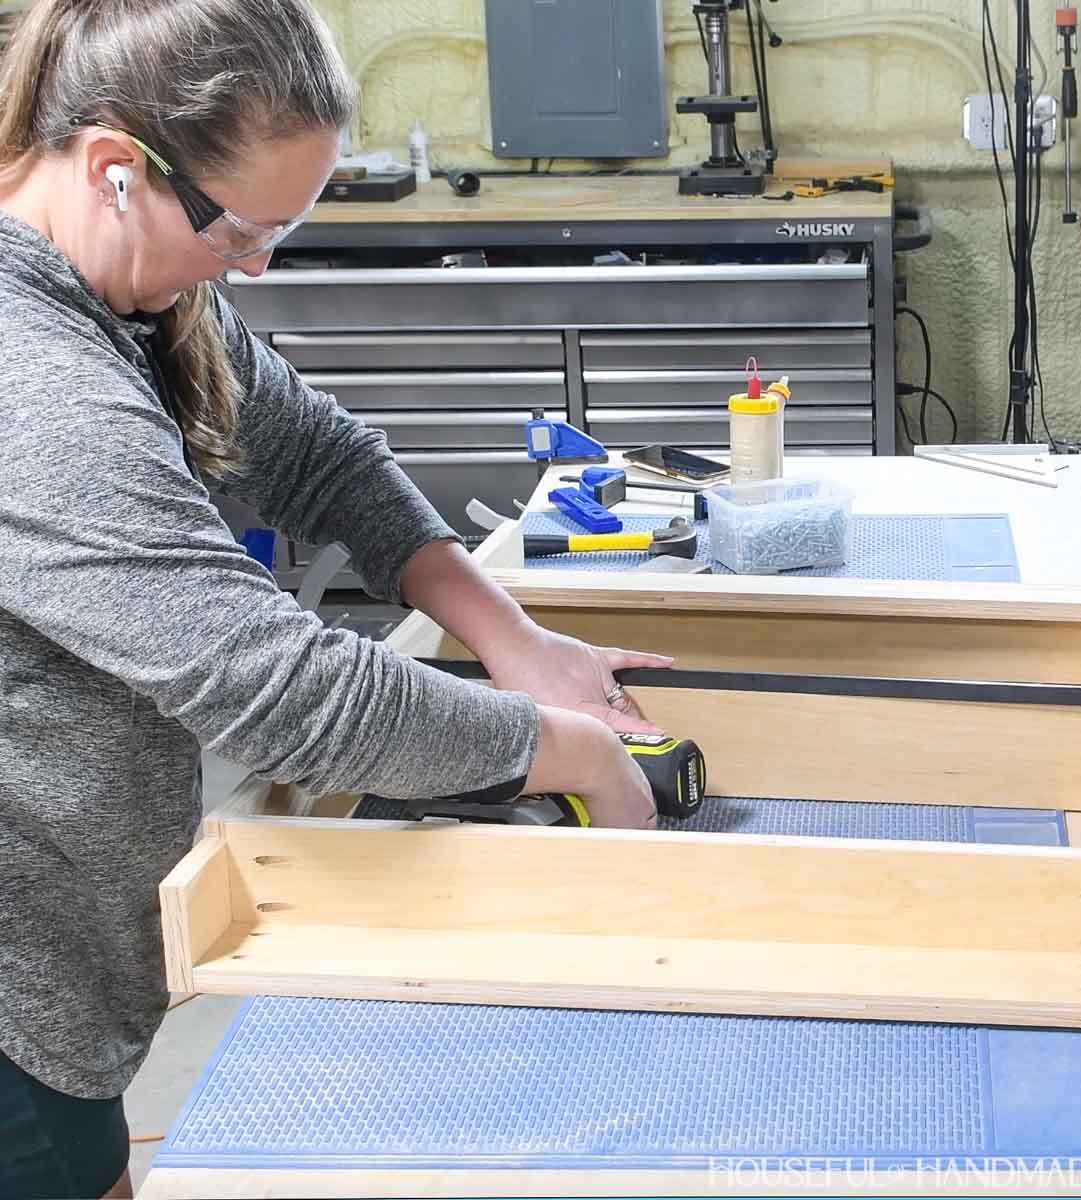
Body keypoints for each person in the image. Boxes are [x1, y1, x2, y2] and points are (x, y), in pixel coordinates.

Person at [0, 1, 672, 1195]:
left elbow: (323, 456)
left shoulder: (142, 299)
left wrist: (509, 638)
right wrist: (569, 753)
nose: (255, 266)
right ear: (115, 169)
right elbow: (279, 689)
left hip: (73, 947)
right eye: (244, 230)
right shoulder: (30, 378)